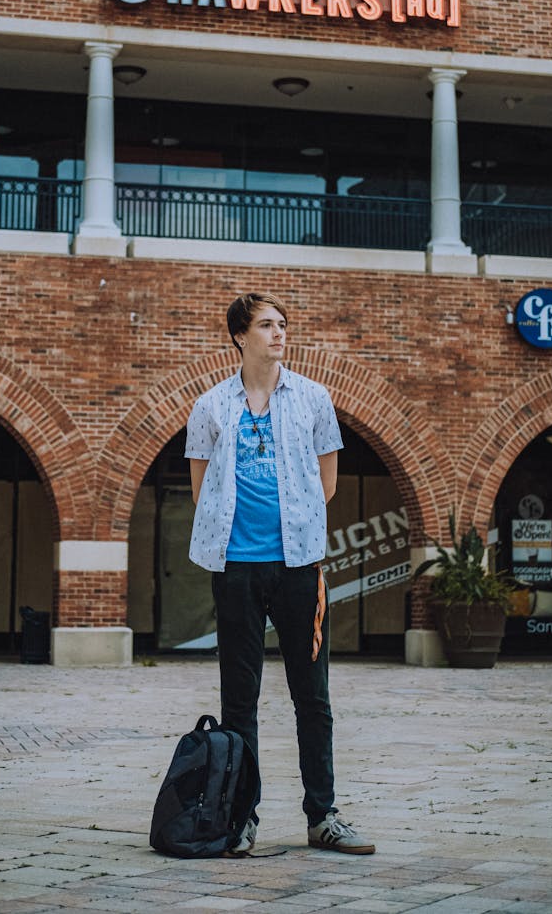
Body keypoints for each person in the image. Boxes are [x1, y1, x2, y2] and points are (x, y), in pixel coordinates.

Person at [185, 291, 375, 856]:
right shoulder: (210, 407)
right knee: (239, 699)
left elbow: (328, 483)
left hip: (299, 569)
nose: (279, 333)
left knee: (311, 697)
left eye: (283, 324)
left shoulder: (315, 399)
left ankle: (323, 816)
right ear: (239, 336)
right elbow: (203, 491)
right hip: (236, 570)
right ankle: (242, 817)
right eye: (266, 325)